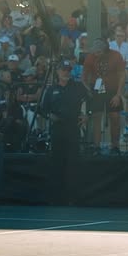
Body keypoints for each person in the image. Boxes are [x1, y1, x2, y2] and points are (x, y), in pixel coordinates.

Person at [40, 61, 89, 204]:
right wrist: (50, 116)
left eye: (68, 70)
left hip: (73, 127)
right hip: (57, 128)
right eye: (63, 70)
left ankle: (73, 197)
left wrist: (87, 114)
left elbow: (90, 101)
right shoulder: (51, 89)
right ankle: (56, 197)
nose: (66, 72)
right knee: (56, 162)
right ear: (57, 71)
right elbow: (43, 109)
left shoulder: (78, 87)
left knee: (73, 162)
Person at [81, 37, 125, 153]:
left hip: (113, 89)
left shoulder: (116, 56)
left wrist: (118, 95)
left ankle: (115, 146)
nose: (96, 53)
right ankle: (97, 146)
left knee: (115, 117)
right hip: (96, 88)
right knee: (96, 117)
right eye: (95, 51)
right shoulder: (90, 57)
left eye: (99, 51)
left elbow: (122, 75)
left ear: (106, 50)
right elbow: (83, 77)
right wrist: (88, 90)